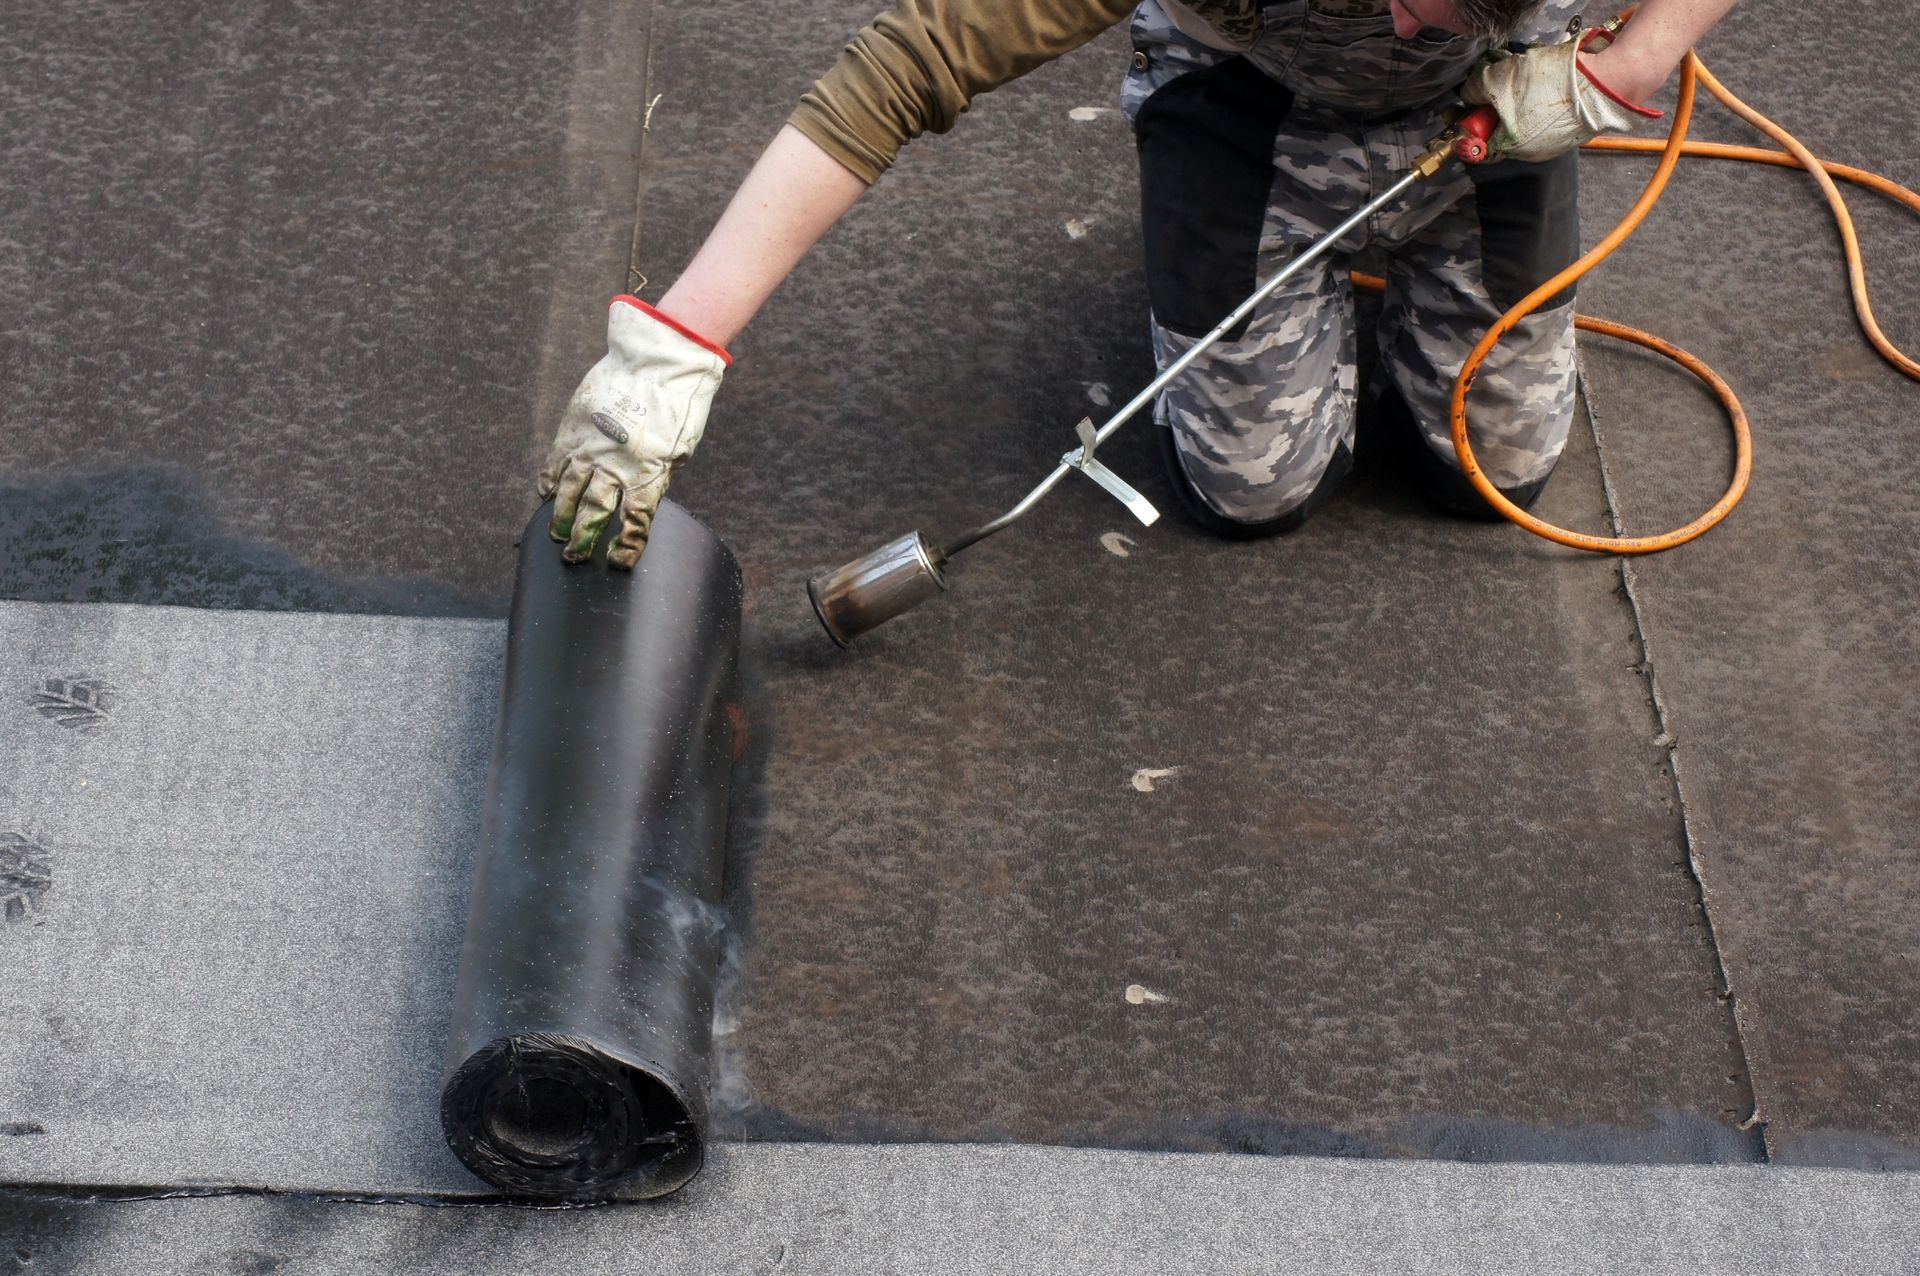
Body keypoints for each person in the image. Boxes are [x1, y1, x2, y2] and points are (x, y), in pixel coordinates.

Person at [537, 0, 1737, 567]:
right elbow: (901, 71)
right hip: (1258, 103)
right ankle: (1225, 244)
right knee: (1253, 490)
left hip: (1500, 109)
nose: (1419, 15)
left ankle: (1409, 241)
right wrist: (671, 351)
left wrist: (1626, 62)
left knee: (1496, 467)